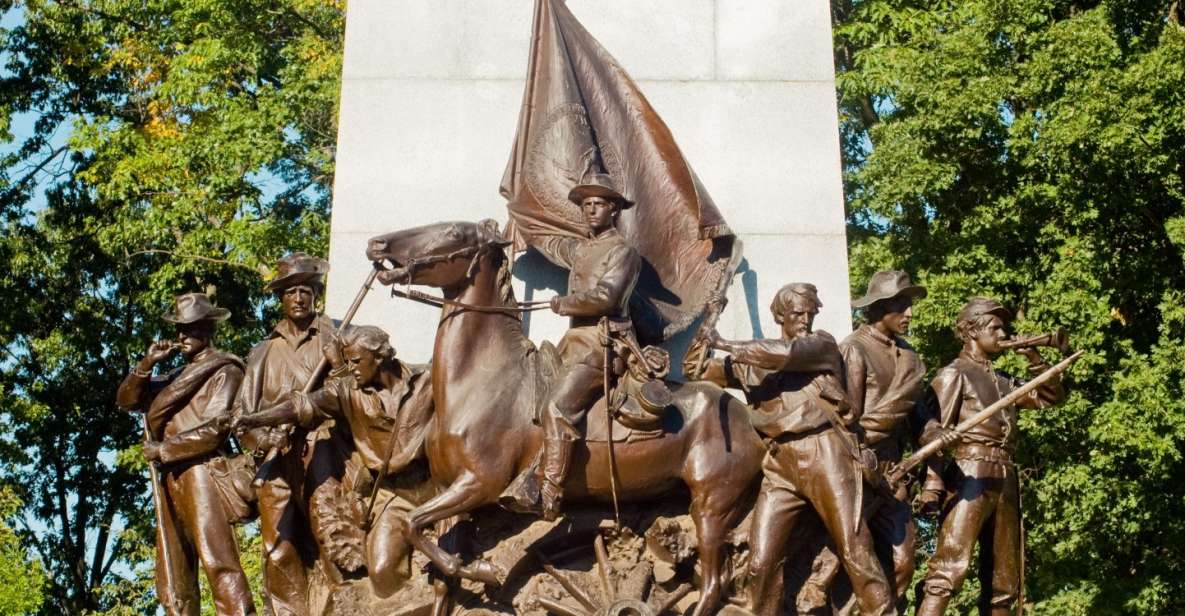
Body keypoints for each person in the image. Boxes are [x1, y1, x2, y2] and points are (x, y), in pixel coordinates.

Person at [684, 283, 896, 616]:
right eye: (798, 313)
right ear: (780, 315)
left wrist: (723, 342)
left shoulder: (821, 345)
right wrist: (707, 324)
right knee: (760, 562)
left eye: (810, 313)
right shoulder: (748, 364)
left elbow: (784, 355)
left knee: (855, 548)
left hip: (825, 451)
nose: (806, 320)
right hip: (780, 463)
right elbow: (693, 370)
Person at [235, 325, 433, 598]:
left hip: (437, 486)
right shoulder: (346, 391)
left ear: (379, 357)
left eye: (355, 361)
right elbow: (301, 406)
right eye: (346, 361)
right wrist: (254, 419)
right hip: (392, 495)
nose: (348, 368)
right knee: (383, 575)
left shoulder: (427, 379)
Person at [913, 297, 1065, 616]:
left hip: (1005, 476)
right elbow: (934, 432)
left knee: (1004, 579)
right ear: (971, 331)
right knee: (949, 567)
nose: (1002, 333)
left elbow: (1051, 397)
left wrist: (1035, 358)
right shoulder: (954, 373)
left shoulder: (1003, 381)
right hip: (970, 471)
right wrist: (933, 485)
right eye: (994, 327)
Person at [513, 172, 642, 521]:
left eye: (598, 204)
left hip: (604, 344)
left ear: (614, 209)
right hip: (573, 343)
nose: (590, 211)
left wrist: (566, 303)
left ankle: (549, 493)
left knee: (556, 406)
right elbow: (553, 245)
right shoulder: (583, 248)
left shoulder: (623, 252)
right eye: (585, 205)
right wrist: (518, 218)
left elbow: (609, 297)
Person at [116, 293, 255, 616]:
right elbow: (126, 400)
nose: (182, 336)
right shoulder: (172, 377)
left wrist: (163, 449)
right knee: (173, 570)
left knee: (219, 562)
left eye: (190, 329)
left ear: (207, 330)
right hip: (171, 478)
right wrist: (146, 364)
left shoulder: (225, 370)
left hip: (200, 471)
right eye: (180, 329)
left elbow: (216, 428)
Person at [804, 270, 928, 612]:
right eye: (901, 306)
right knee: (850, 554)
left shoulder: (911, 357)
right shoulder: (855, 349)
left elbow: (917, 418)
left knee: (904, 564)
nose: (909, 314)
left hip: (896, 470)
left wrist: (934, 431)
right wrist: (863, 460)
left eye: (909, 305)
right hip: (862, 467)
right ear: (879, 308)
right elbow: (848, 418)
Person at [234, 252, 343, 616]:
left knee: (329, 535)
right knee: (278, 547)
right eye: (292, 291)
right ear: (281, 298)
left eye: (307, 291)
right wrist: (265, 440)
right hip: (276, 458)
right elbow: (242, 416)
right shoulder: (263, 352)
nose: (299, 297)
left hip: (322, 449)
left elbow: (349, 391)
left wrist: (338, 364)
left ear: (315, 296)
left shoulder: (333, 338)